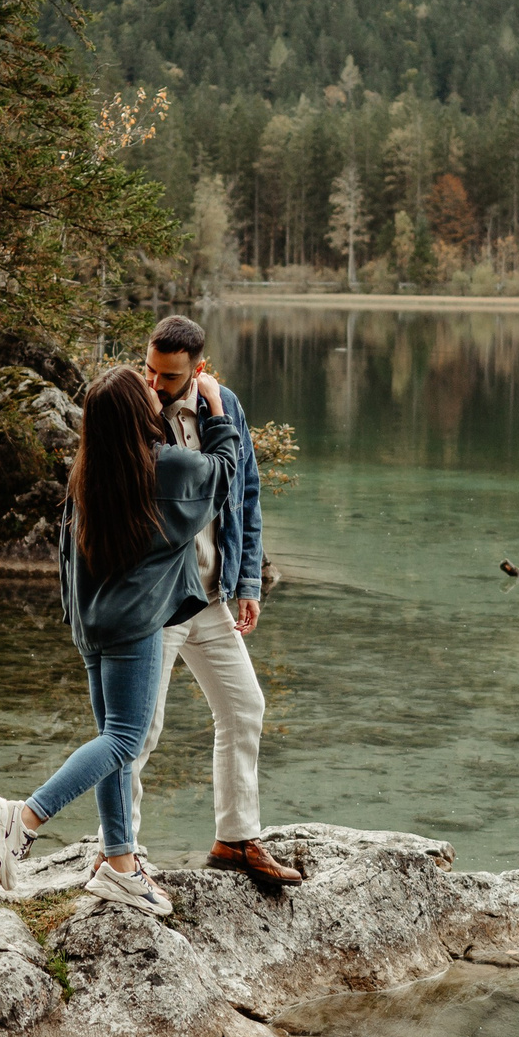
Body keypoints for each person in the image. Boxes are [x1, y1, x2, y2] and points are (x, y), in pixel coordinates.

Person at [0, 363, 239, 916]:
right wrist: (216, 407)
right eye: (144, 390)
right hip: (133, 625)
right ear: (134, 414)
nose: (155, 392)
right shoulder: (162, 467)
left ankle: (120, 867)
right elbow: (222, 473)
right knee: (125, 741)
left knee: (111, 744)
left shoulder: (90, 471)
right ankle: (24, 818)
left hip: (92, 624)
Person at [130, 314, 302, 887]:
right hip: (157, 598)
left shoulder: (223, 407)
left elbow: (245, 493)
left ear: (198, 369)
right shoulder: (134, 409)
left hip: (208, 595)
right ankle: (120, 853)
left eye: (169, 377)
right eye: (150, 370)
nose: (155, 383)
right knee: (140, 730)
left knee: (244, 706)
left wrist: (246, 582)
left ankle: (235, 839)